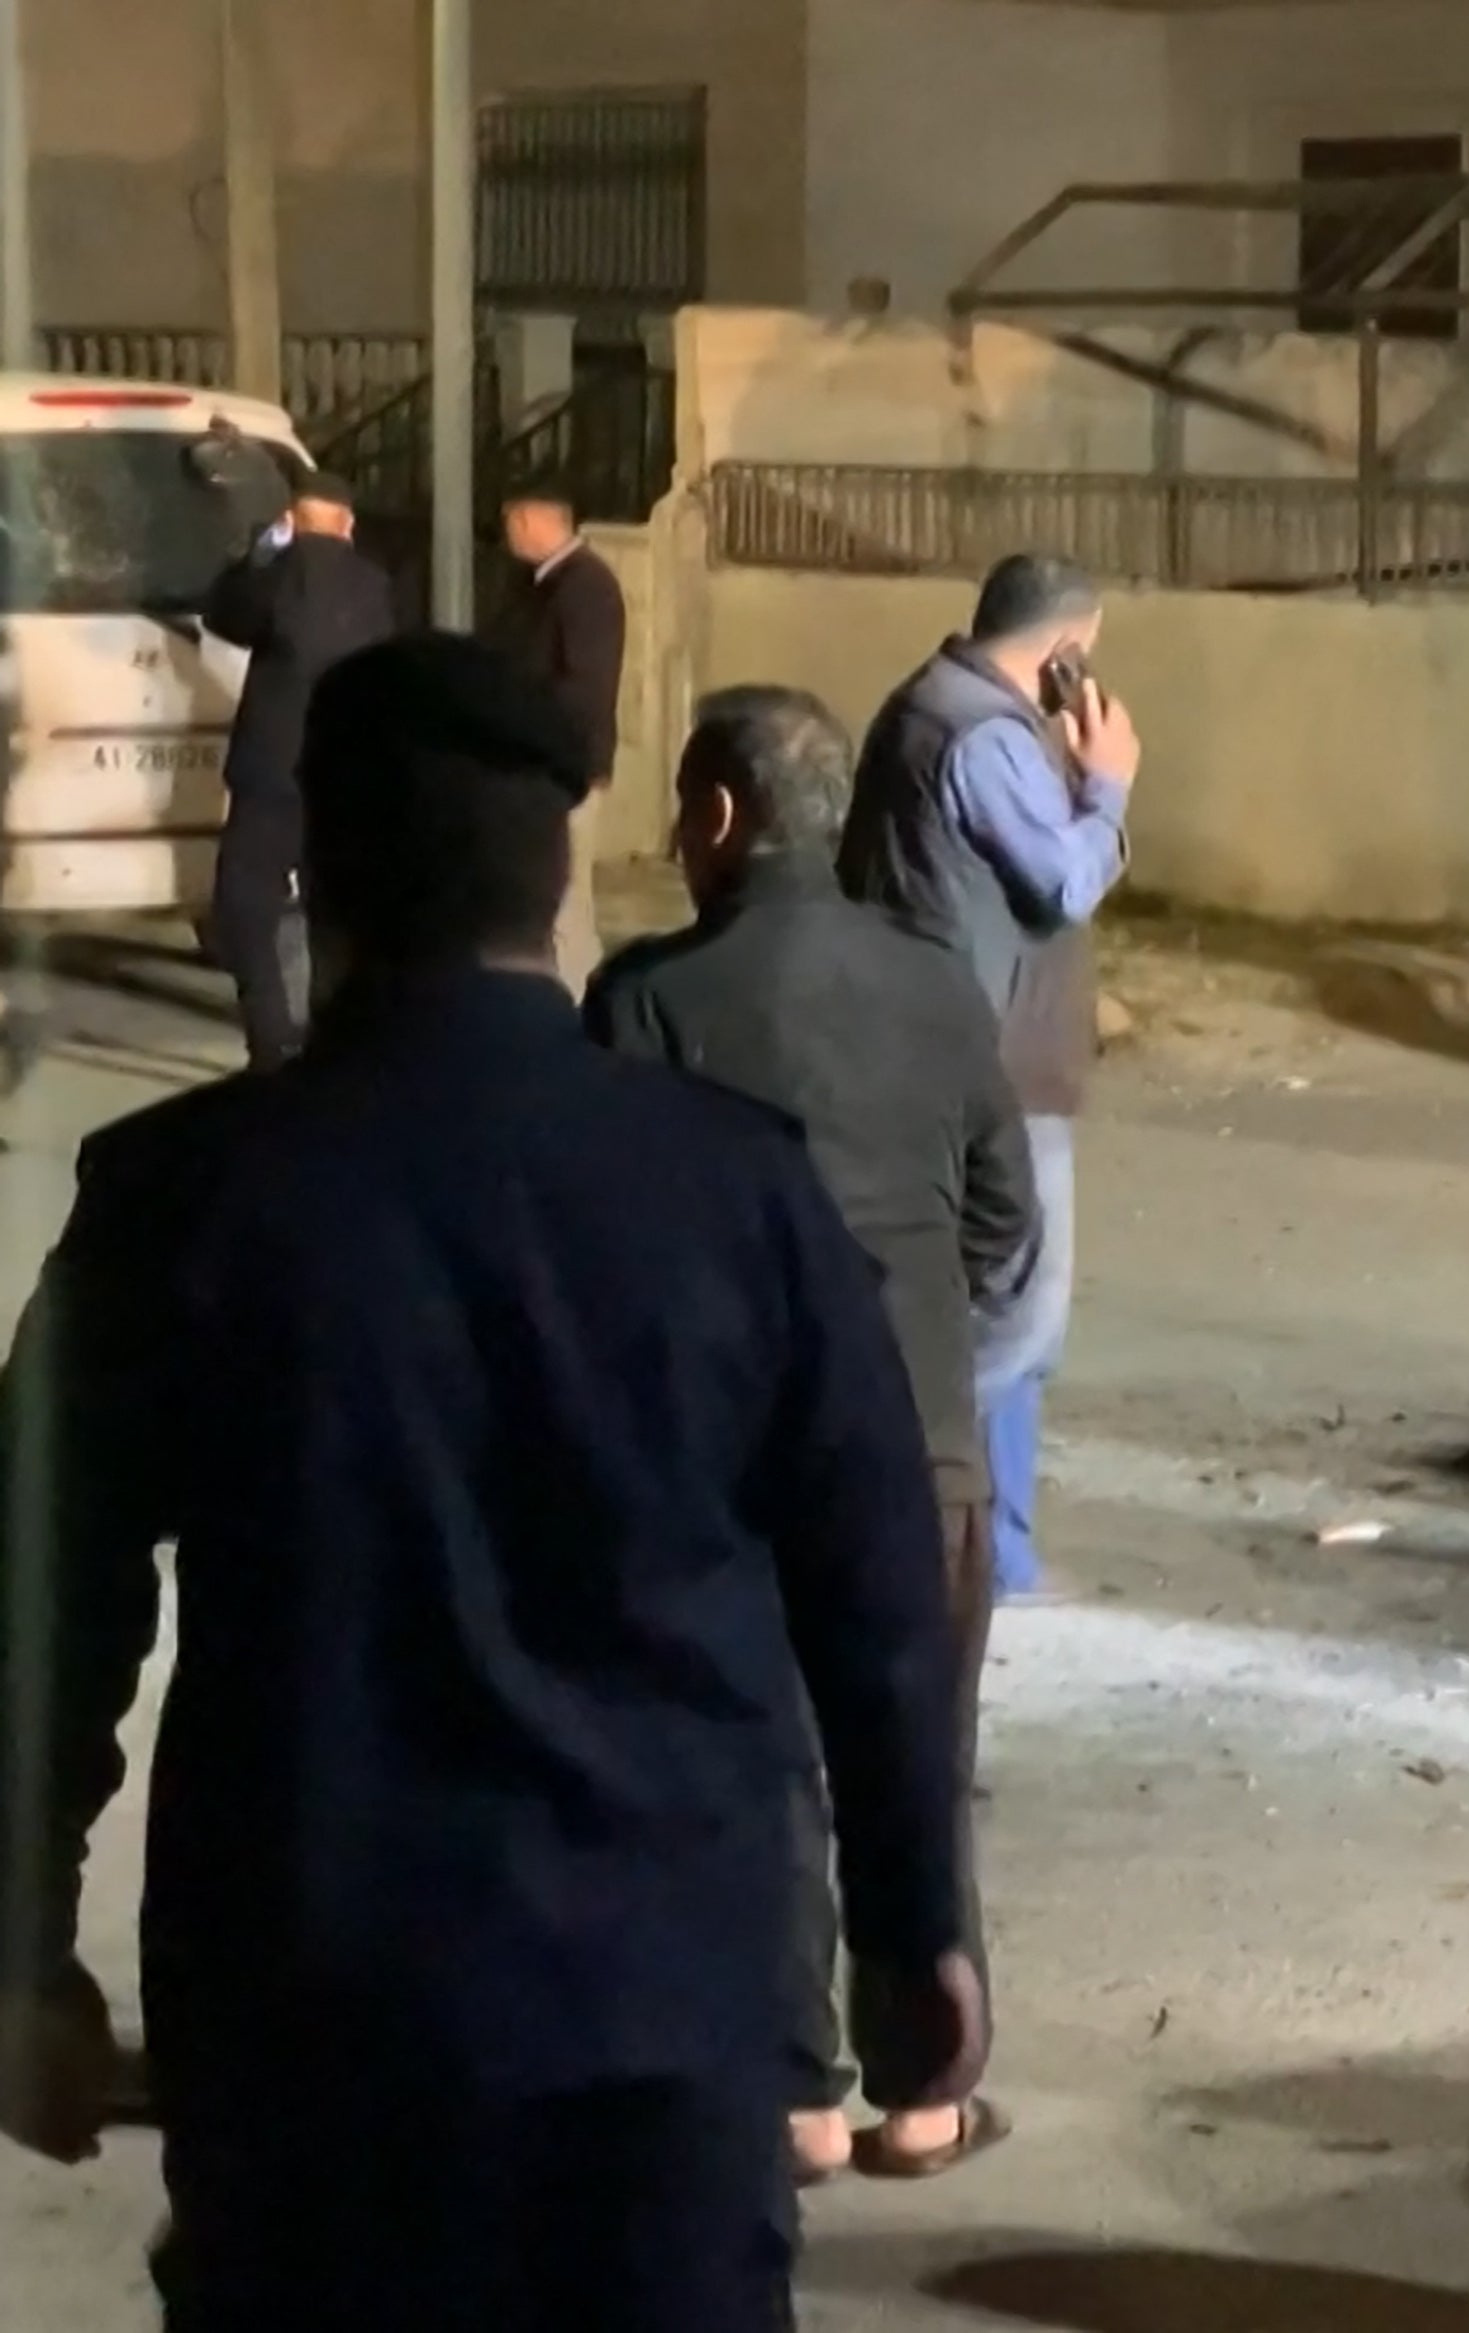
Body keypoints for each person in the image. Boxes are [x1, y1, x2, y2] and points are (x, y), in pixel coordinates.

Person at [0, 634, 980, 2325]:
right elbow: (880, 1597)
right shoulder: (738, 1199)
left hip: (305, 2057)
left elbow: (41, 1603)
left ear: (316, 873)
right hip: (656, 2046)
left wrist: (22, 1946)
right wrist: (913, 1939)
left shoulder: (178, 1198)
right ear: (555, 880)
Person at [586, 684, 1038, 2186]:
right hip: (920, 1439)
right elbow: (1001, 1222)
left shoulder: (648, 998)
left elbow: (622, 1236)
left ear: (717, 819)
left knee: (766, 1765)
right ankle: (926, 2092)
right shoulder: (938, 986)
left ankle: (794, 2098)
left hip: (731, 1457)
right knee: (921, 1758)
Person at [844, 554, 1136, 1606]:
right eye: (1086, 655)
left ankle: (998, 1546)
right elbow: (1062, 881)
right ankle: (903, 1499)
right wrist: (1106, 784)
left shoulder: (927, 703)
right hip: (992, 1067)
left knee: (996, 1307)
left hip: (949, 1048)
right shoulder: (982, 737)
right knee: (1015, 1316)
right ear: (1063, 650)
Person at [200, 460, 394, 1068]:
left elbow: (224, 616)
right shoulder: (374, 583)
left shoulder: (278, 574)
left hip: (272, 773)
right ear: (349, 524)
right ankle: (337, 1032)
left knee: (246, 903)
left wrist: (260, 553)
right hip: (345, 771)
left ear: (293, 520)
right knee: (333, 907)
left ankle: (270, 1036)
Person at [487, 476, 630, 994]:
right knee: (546, 900)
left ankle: (578, 1008)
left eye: (511, 522)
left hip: (562, 767)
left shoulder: (583, 586)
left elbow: (582, 687)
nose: (507, 535)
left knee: (567, 905)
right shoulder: (539, 584)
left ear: (532, 519)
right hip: (539, 766)